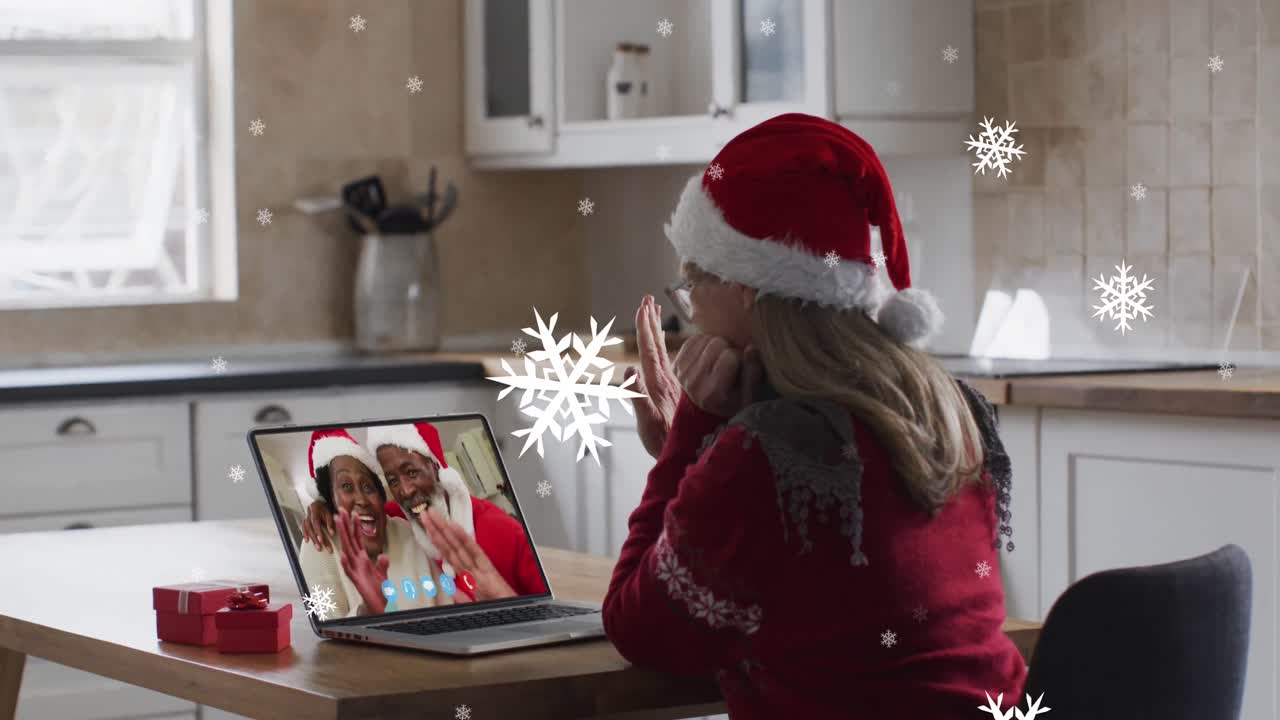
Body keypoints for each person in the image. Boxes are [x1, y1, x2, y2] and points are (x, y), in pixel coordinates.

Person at [601, 113, 1026, 719]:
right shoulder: (951, 409)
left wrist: (690, 438)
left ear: (749, 288)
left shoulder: (763, 455)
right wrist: (710, 459)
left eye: (694, 285)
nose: (690, 315)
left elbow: (637, 628)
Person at [365, 421, 548, 601]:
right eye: (393, 481)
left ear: (436, 467)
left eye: (412, 473)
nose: (405, 491)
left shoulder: (505, 531)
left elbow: (553, 615)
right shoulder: (398, 520)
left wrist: (503, 601)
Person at [296, 429, 464, 617]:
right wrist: (367, 609)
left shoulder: (405, 531)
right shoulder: (318, 544)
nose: (362, 500)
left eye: (368, 487)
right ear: (331, 500)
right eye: (346, 487)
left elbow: (447, 606)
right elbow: (325, 629)